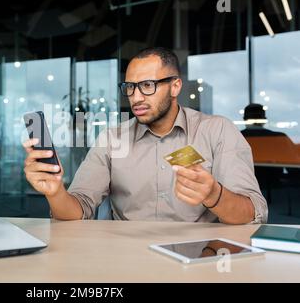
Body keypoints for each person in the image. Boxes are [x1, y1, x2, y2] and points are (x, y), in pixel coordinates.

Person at [22, 47, 268, 224]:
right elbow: (78, 210)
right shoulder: (112, 140)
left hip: (199, 261)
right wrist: (55, 192)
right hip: (127, 261)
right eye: (130, 87)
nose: (136, 97)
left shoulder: (217, 131)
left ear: (175, 86)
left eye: (147, 85)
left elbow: (252, 213)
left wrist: (215, 195)